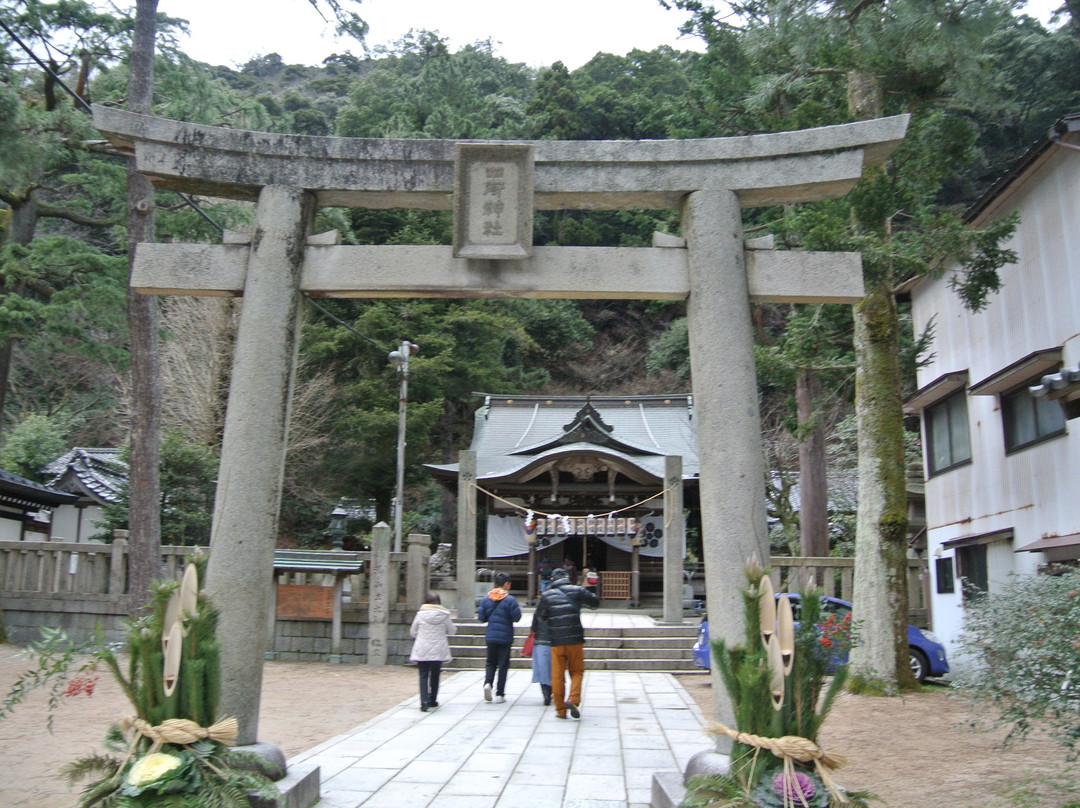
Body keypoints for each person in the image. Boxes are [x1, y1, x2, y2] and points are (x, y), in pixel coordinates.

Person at [534, 567, 599, 719]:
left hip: (556, 641)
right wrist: (590, 588)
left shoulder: (547, 595)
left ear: (552, 579)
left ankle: (560, 710)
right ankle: (573, 699)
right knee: (577, 671)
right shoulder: (577, 590)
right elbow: (595, 602)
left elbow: (540, 617)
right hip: (575, 639)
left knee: (557, 676)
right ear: (568, 577)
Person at [476, 571, 521, 703]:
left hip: (491, 635)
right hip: (505, 636)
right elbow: (517, 617)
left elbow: (481, 618)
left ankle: (488, 683)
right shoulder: (510, 600)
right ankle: (500, 693)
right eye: (509, 583)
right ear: (506, 584)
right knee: (503, 664)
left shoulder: (486, 598)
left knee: (490, 662)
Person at [409, 592, 455, 712]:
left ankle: (424, 702)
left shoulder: (420, 615)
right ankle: (433, 699)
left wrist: (420, 636)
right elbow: (452, 631)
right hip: (438, 649)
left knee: (423, 675)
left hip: (422, 648)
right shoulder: (444, 615)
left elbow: (412, 632)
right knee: (435, 674)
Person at [529, 605, 553, 705]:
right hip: (554, 642)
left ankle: (546, 693)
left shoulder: (539, 609)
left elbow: (533, 627)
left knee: (542, 669)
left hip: (540, 641)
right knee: (554, 669)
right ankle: (551, 692)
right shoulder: (558, 608)